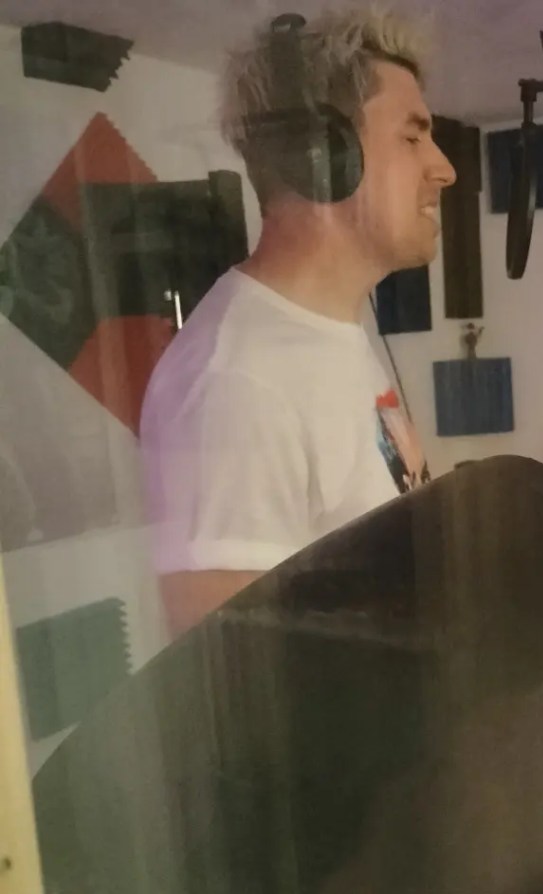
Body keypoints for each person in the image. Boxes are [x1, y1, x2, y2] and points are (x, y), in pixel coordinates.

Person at [140, 8, 456, 637]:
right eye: (412, 138)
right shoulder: (237, 384)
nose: (444, 168)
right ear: (323, 157)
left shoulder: (327, 335)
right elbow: (231, 671)